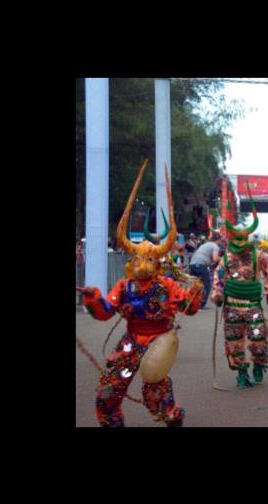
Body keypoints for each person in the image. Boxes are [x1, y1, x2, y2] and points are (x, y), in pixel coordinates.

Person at [81, 161, 203, 427]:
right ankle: (112, 421)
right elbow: (104, 311)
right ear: (131, 262)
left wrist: (195, 292)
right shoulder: (125, 286)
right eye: (138, 259)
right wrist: (92, 297)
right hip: (131, 341)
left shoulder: (166, 285)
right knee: (111, 387)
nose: (143, 264)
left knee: (155, 394)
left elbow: (190, 308)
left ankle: (171, 416)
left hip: (158, 342)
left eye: (148, 259)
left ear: (157, 263)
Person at [209, 190, 268, 389]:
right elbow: (218, 278)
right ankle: (241, 374)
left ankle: (258, 366)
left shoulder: (259, 255)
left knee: (258, 340)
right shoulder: (226, 258)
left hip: (253, 306)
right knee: (234, 342)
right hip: (231, 307)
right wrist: (217, 294)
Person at [189, 231, 221, 310]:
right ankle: (201, 304)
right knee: (207, 284)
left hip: (192, 264)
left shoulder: (205, 244)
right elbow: (215, 259)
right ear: (218, 240)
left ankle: (192, 303)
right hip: (200, 265)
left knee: (197, 285)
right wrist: (223, 258)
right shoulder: (215, 246)